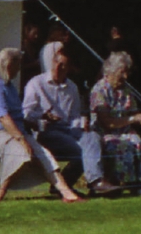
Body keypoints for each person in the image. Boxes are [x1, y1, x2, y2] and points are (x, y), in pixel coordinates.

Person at [0, 48, 84, 203]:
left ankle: (66, 193)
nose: (19, 70)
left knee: (42, 153)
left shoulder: (9, 85)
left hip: (14, 132)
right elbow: (3, 117)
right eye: (18, 66)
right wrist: (21, 139)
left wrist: (36, 123)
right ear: (8, 65)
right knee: (19, 149)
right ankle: (1, 192)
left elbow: (18, 117)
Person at [23, 49, 120, 195]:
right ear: (52, 62)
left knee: (92, 137)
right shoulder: (36, 84)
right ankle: (68, 185)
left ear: (68, 68)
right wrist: (43, 115)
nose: (58, 68)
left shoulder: (72, 87)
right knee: (81, 150)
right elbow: (26, 114)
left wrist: (82, 122)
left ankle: (96, 182)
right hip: (46, 130)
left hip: (68, 130)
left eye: (63, 65)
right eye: (57, 63)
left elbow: (74, 117)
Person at [88, 52, 141, 189]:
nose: (126, 77)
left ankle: (139, 183)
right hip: (104, 133)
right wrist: (134, 118)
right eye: (122, 72)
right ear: (111, 71)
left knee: (138, 143)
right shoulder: (99, 91)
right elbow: (107, 122)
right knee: (121, 145)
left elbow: (133, 114)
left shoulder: (126, 90)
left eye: (127, 72)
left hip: (125, 131)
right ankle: (121, 183)